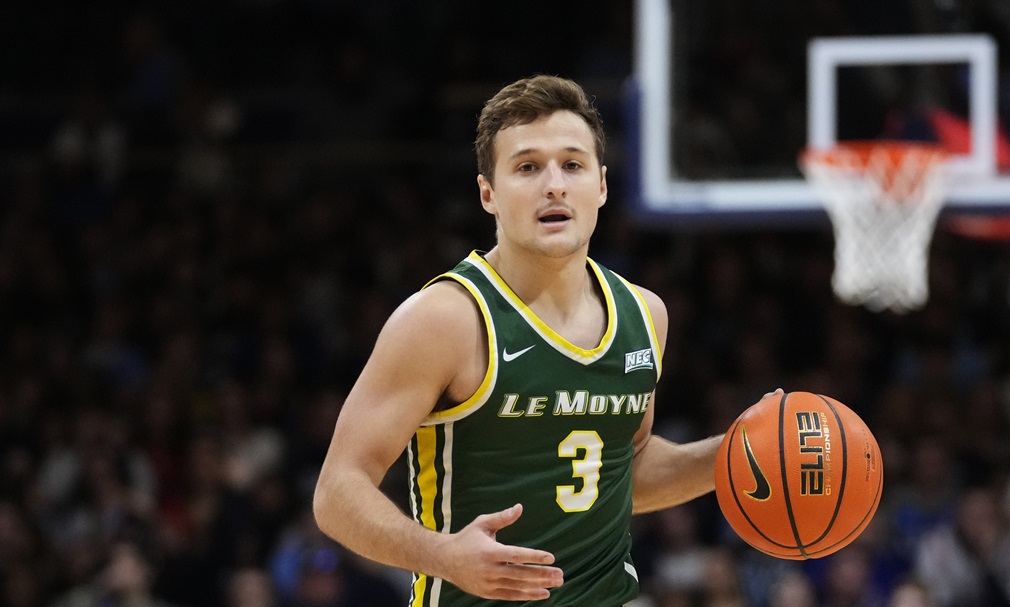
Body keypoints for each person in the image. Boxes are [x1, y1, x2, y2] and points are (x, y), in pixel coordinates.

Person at [312, 74, 779, 605]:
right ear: (488, 193)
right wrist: (441, 555)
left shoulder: (645, 316)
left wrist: (734, 454)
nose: (554, 184)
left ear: (601, 186)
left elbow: (622, 472)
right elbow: (336, 492)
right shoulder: (445, 320)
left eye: (572, 165)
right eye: (528, 167)